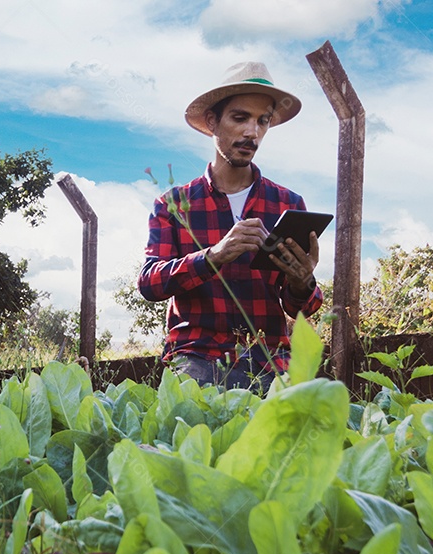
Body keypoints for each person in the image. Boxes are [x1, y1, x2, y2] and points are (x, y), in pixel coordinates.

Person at [138, 61, 323, 392]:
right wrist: (213, 256)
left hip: (268, 361)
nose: (252, 132)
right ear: (212, 122)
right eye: (240, 118)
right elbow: (150, 283)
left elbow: (304, 308)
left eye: (262, 121)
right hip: (196, 358)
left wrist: (302, 281)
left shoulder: (288, 204)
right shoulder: (172, 205)